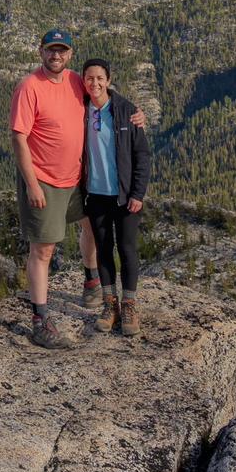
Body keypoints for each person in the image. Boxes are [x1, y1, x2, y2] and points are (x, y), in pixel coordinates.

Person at [10, 31, 146, 347]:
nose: (55, 55)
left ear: (69, 54)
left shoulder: (75, 81)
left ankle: (91, 280)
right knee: (43, 249)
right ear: (41, 52)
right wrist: (32, 184)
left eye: (62, 50)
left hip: (79, 179)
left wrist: (136, 113)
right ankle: (41, 319)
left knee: (91, 229)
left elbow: (103, 95)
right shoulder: (29, 87)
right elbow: (18, 138)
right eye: (50, 50)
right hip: (44, 180)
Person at [81, 58, 150, 338]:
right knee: (104, 249)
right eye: (89, 78)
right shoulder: (80, 110)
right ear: (83, 82)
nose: (94, 83)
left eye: (100, 78)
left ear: (108, 80)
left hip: (124, 197)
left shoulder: (126, 112)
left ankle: (130, 305)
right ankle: (110, 305)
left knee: (127, 249)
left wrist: (137, 193)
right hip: (95, 195)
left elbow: (142, 155)